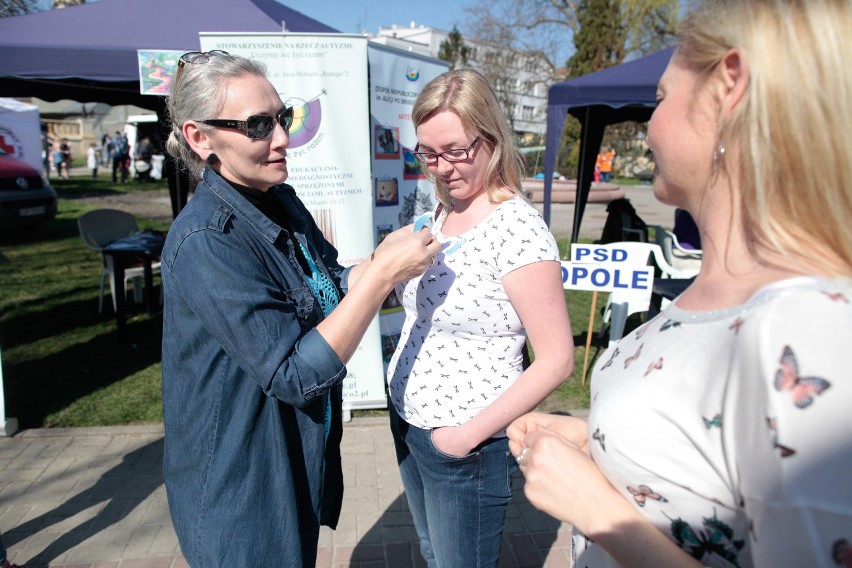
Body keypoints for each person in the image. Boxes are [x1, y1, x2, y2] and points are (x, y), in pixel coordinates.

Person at [507, 1, 852, 567]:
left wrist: (597, 511)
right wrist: (597, 436)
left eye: (662, 98)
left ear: (728, 89)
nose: (649, 121)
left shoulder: (806, 327)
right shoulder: (720, 294)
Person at [160, 50, 439, 566]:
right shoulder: (205, 242)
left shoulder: (279, 199)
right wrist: (379, 279)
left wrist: (391, 268)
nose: (284, 137)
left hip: (290, 464)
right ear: (201, 138)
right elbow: (293, 373)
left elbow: (327, 284)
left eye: (282, 117)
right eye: (259, 125)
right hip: (241, 490)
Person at [386, 68, 575, 567]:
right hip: (410, 420)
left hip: (463, 446)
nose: (441, 167)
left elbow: (556, 360)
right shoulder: (443, 209)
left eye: (455, 151)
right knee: (434, 553)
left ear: (490, 138)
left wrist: (463, 438)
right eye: (428, 153)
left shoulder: (518, 232)